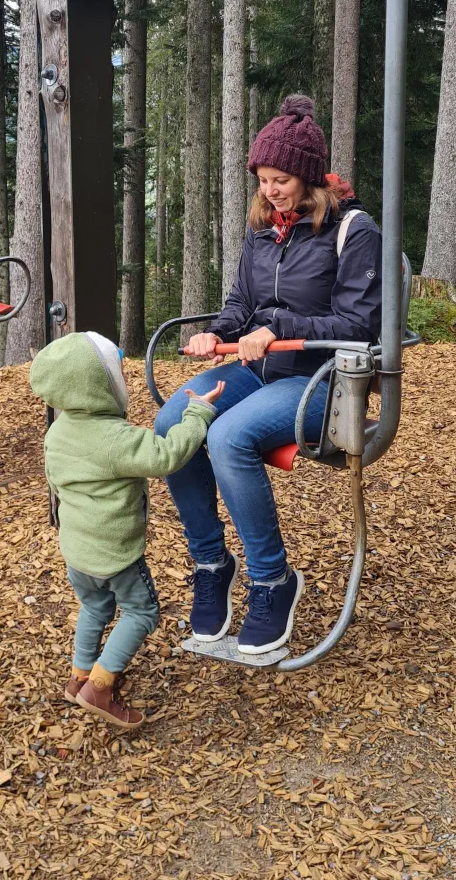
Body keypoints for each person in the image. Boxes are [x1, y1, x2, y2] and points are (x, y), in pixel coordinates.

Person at [154, 94, 382, 655]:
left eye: (281, 178)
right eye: (262, 178)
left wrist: (277, 325)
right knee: (169, 424)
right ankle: (211, 563)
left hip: (319, 379)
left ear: (308, 176)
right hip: (258, 368)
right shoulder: (263, 230)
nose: (270, 189)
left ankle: (273, 581)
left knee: (228, 437)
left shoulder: (352, 230)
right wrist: (217, 331)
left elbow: (359, 324)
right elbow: (241, 304)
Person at [30, 331, 225, 730]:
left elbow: (54, 484)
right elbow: (166, 455)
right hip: (116, 555)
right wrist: (198, 414)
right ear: (100, 385)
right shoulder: (115, 439)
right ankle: (100, 686)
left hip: (77, 551)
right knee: (141, 611)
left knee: (95, 606)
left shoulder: (57, 433)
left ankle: (79, 675)